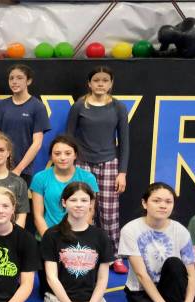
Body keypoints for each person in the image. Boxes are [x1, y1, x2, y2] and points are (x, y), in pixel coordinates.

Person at [40, 182, 124, 302]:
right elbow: (51, 278)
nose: (79, 205)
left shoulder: (100, 236)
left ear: (91, 203)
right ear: (64, 203)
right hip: (60, 300)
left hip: (91, 300)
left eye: (84, 200)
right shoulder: (52, 235)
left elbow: (102, 279)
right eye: (73, 200)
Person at [66, 66, 131, 274]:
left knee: (110, 213)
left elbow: (125, 141)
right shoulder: (79, 106)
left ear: (111, 84)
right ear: (89, 83)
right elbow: (69, 138)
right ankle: (85, 253)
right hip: (83, 163)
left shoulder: (118, 107)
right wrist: (71, 166)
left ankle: (115, 256)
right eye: (96, 80)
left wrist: (122, 172)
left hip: (110, 162)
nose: (100, 84)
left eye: (105, 80)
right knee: (83, 209)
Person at [119, 182, 195, 302]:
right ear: (144, 203)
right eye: (157, 201)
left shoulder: (181, 231)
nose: (163, 206)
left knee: (175, 263)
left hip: (168, 286)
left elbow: (191, 275)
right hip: (140, 289)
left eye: (168, 202)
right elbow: (141, 274)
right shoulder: (130, 230)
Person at [0, 64, 50, 180]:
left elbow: (37, 143)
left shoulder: (37, 107)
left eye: (19, 78)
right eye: (11, 78)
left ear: (29, 81)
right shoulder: (1, 106)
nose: (14, 81)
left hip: (23, 170)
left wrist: (18, 169)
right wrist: (0, 164)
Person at [30, 136, 98, 236]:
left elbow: (90, 211)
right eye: (57, 154)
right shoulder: (40, 178)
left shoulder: (88, 178)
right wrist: (48, 239)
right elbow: (38, 215)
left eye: (68, 153)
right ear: (51, 156)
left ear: (75, 155)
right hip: (49, 236)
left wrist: (80, 239)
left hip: (79, 238)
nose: (62, 158)